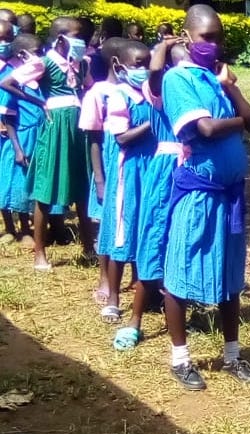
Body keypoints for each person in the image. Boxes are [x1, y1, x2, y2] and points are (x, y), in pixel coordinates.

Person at [161, 4, 250, 390]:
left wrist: (231, 87)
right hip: (198, 194)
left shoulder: (215, 79)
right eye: (207, 36)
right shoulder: (178, 79)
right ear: (187, 38)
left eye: (219, 36)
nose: (214, 43)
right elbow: (205, 128)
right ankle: (181, 358)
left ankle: (233, 355)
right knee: (180, 273)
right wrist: (237, 122)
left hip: (230, 195)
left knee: (230, 276)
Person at [0, 16, 94, 270]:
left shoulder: (81, 64)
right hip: (55, 128)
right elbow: (7, 82)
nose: (81, 42)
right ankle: (40, 253)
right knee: (46, 188)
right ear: (62, 39)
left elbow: (88, 90)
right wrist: (41, 103)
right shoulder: (44, 63)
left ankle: (88, 247)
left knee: (82, 187)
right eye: (77, 36)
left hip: (78, 127)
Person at [113, 37, 187, 350]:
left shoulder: (193, 91)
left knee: (180, 241)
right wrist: (165, 45)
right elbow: (156, 71)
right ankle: (135, 321)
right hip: (165, 170)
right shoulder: (160, 92)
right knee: (153, 242)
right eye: (181, 63)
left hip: (190, 172)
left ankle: (180, 307)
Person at [99, 40, 156, 323]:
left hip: (151, 169)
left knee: (146, 226)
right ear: (119, 67)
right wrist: (151, 125)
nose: (143, 69)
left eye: (147, 63)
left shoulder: (150, 94)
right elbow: (121, 137)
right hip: (129, 170)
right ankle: (113, 297)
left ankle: (146, 289)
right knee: (123, 229)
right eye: (137, 65)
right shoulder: (120, 95)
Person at [78, 37, 125, 306]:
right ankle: (104, 279)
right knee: (107, 225)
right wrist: (98, 177)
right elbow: (94, 139)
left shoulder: (139, 90)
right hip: (108, 158)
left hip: (131, 162)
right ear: (118, 63)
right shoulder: (97, 92)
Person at [0, 32, 45, 249]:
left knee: (28, 187)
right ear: (24, 56)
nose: (42, 56)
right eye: (38, 53)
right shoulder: (15, 83)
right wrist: (17, 148)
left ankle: (27, 228)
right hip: (19, 140)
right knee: (13, 185)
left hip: (38, 139)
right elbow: (8, 118)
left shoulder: (41, 81)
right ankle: (12, 229)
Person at [0, 19, 18, 243]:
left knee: (11, 177)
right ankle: (9, 226)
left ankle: (21, 225)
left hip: (13, 132)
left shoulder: (17, 69)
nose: (3, 44)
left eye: (7, 39)